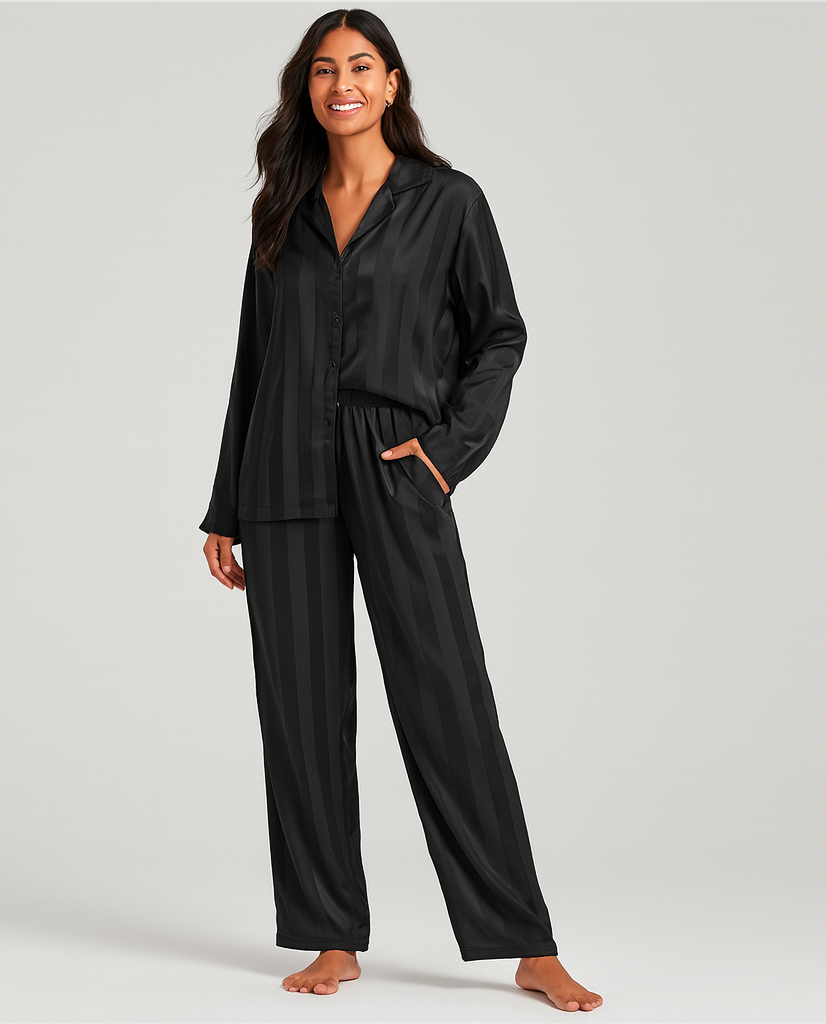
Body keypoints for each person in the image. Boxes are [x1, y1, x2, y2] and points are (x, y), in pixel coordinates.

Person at [199, 8, 602, 1012]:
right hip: (281, 470)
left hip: (396, 465)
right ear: (306, 89)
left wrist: (447, 454)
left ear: (390, 84)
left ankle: (525, 941)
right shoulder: (282, 210)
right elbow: (254, 360)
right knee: (300, 709)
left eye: (360, 66)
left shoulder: (447, 201)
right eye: (323, 69)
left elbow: (500, 335)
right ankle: (329, 933)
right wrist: (224, 504)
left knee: (446, 695)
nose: (341, 83)